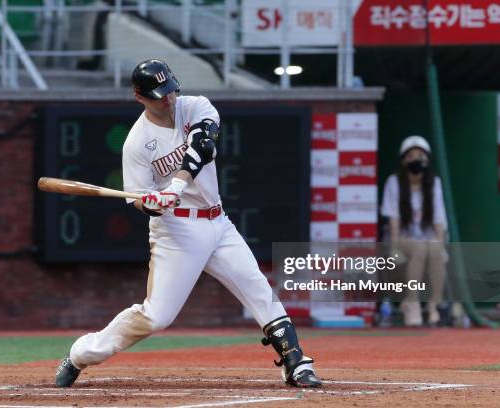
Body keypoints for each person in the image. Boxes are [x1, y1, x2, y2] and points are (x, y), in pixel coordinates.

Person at [54, 59, 321, 388]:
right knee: (157, 316)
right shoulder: (136, 144)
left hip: (216, 220)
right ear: (139, 97)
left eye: (169, 91)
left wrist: (175, 187)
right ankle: (81, 354)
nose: (167, 99)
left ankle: (295, 362)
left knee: (257, 287)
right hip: (176, 232)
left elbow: (202, 148)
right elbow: (138, 200)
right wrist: (151, 204)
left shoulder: (196, 106)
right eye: (158, 95)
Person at [380, 136, 448, 326]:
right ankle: (412, 301)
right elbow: (393, 219)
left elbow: (439, 219)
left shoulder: (434, 183)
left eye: (420, 155)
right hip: (403, 238)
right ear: (403, 161)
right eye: (411, 156)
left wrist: (440, 245)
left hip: (427, 239)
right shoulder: (394, 182)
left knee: (434, 249)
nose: (416, 160)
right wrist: (393, 247)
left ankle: (434, 305)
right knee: (419, 248)